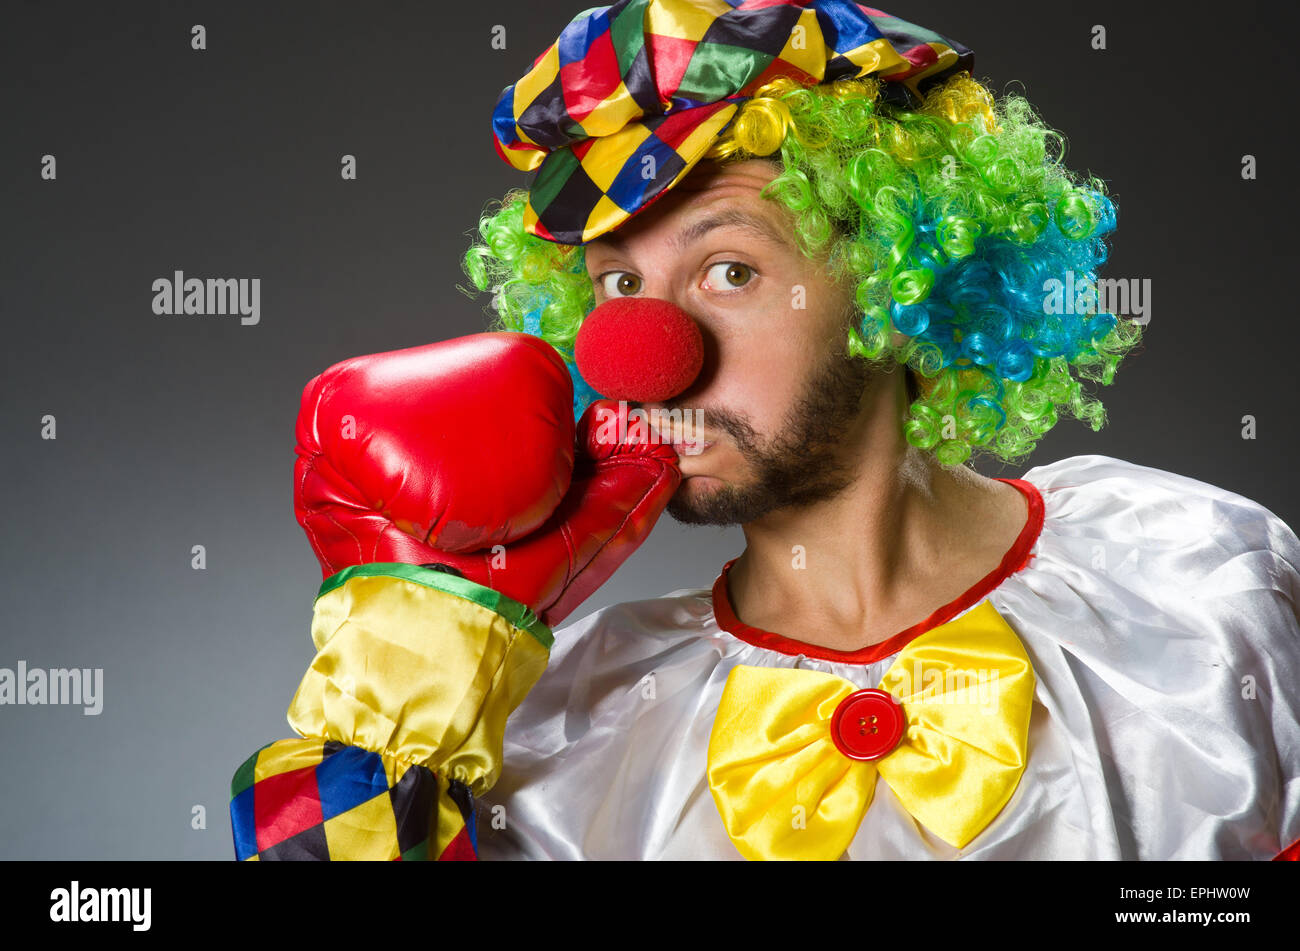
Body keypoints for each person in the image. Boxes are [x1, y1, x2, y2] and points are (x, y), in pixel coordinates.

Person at [230, 0, 1300, 860]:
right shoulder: (567, 722)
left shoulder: (1203, 575)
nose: (644, 352)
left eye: (729, 269)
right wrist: (416, 647)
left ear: (904, 275)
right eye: (616, 285)